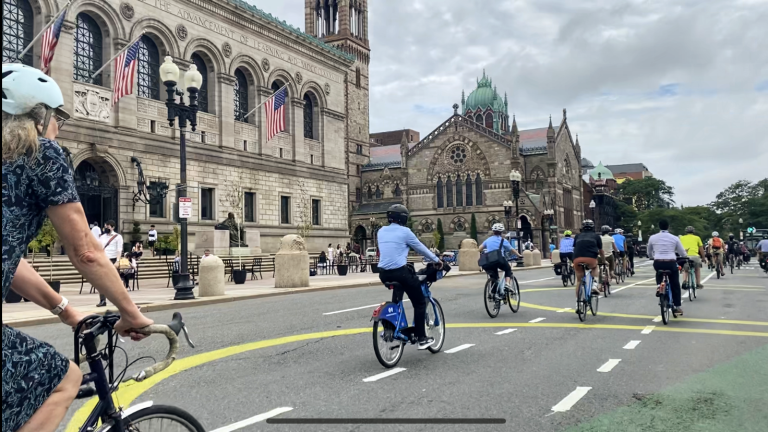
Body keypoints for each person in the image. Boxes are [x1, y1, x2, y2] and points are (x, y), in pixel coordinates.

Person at [2, 63, 152, 432]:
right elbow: (85, 249)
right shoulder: (41, 153)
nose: (58, 129)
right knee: (64, 380)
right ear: (39, 119)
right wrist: (130, 313)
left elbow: (10, 262)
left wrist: (67, 311)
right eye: (58, 119)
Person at [377, 204, 442, 349]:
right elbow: (421, 248)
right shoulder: (405, 232)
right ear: (404, 218)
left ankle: (391, 328)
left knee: (398, 293)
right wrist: (437, 261)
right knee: (419, 303)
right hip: (400, 272)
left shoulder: (381, 231)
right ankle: (422, 338)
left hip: (382, 273)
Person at [647, 219, 688, 315]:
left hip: (658, 262)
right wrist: (684, 255)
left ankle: (658, 286)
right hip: (671, 262)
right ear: (668, 227)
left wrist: (651, 257)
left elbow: (649, 252)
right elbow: (682, 252)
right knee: (675, 284)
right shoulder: (674, 238)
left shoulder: (653, 238)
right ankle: (677, 306)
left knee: (659, 272)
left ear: (659, 226)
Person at [479, 223, 523, 300]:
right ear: (501, 232)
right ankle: (507, 284)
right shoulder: (503, 240)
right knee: (508, 269)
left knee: (494, 277)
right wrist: (519, 255)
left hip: (488, 261)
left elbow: (479, 249)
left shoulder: (488, 240)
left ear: (493, 231)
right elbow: (511, 249)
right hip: (499, 259)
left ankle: (493, 294)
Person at [572, 219, 604, 301]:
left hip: (577, 259)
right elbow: (601, 251)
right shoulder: (596, 236)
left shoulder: (577, 236)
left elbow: (575, 248)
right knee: (595, 267)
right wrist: (603, 260)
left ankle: (578, 303)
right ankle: (594, 284)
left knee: (579, 281)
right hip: (591, 258)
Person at [96, 220, 124, 307]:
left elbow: (119, 249)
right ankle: (102, 300)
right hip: (103, 259)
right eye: (105, 226)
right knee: (101, 281)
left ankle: (120, 300)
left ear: (113, 227)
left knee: (114, 280)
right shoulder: (102, 237)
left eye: (108, 226)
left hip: (113, 259)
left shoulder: (118, 237)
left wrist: (118, 261)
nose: (106, 228)